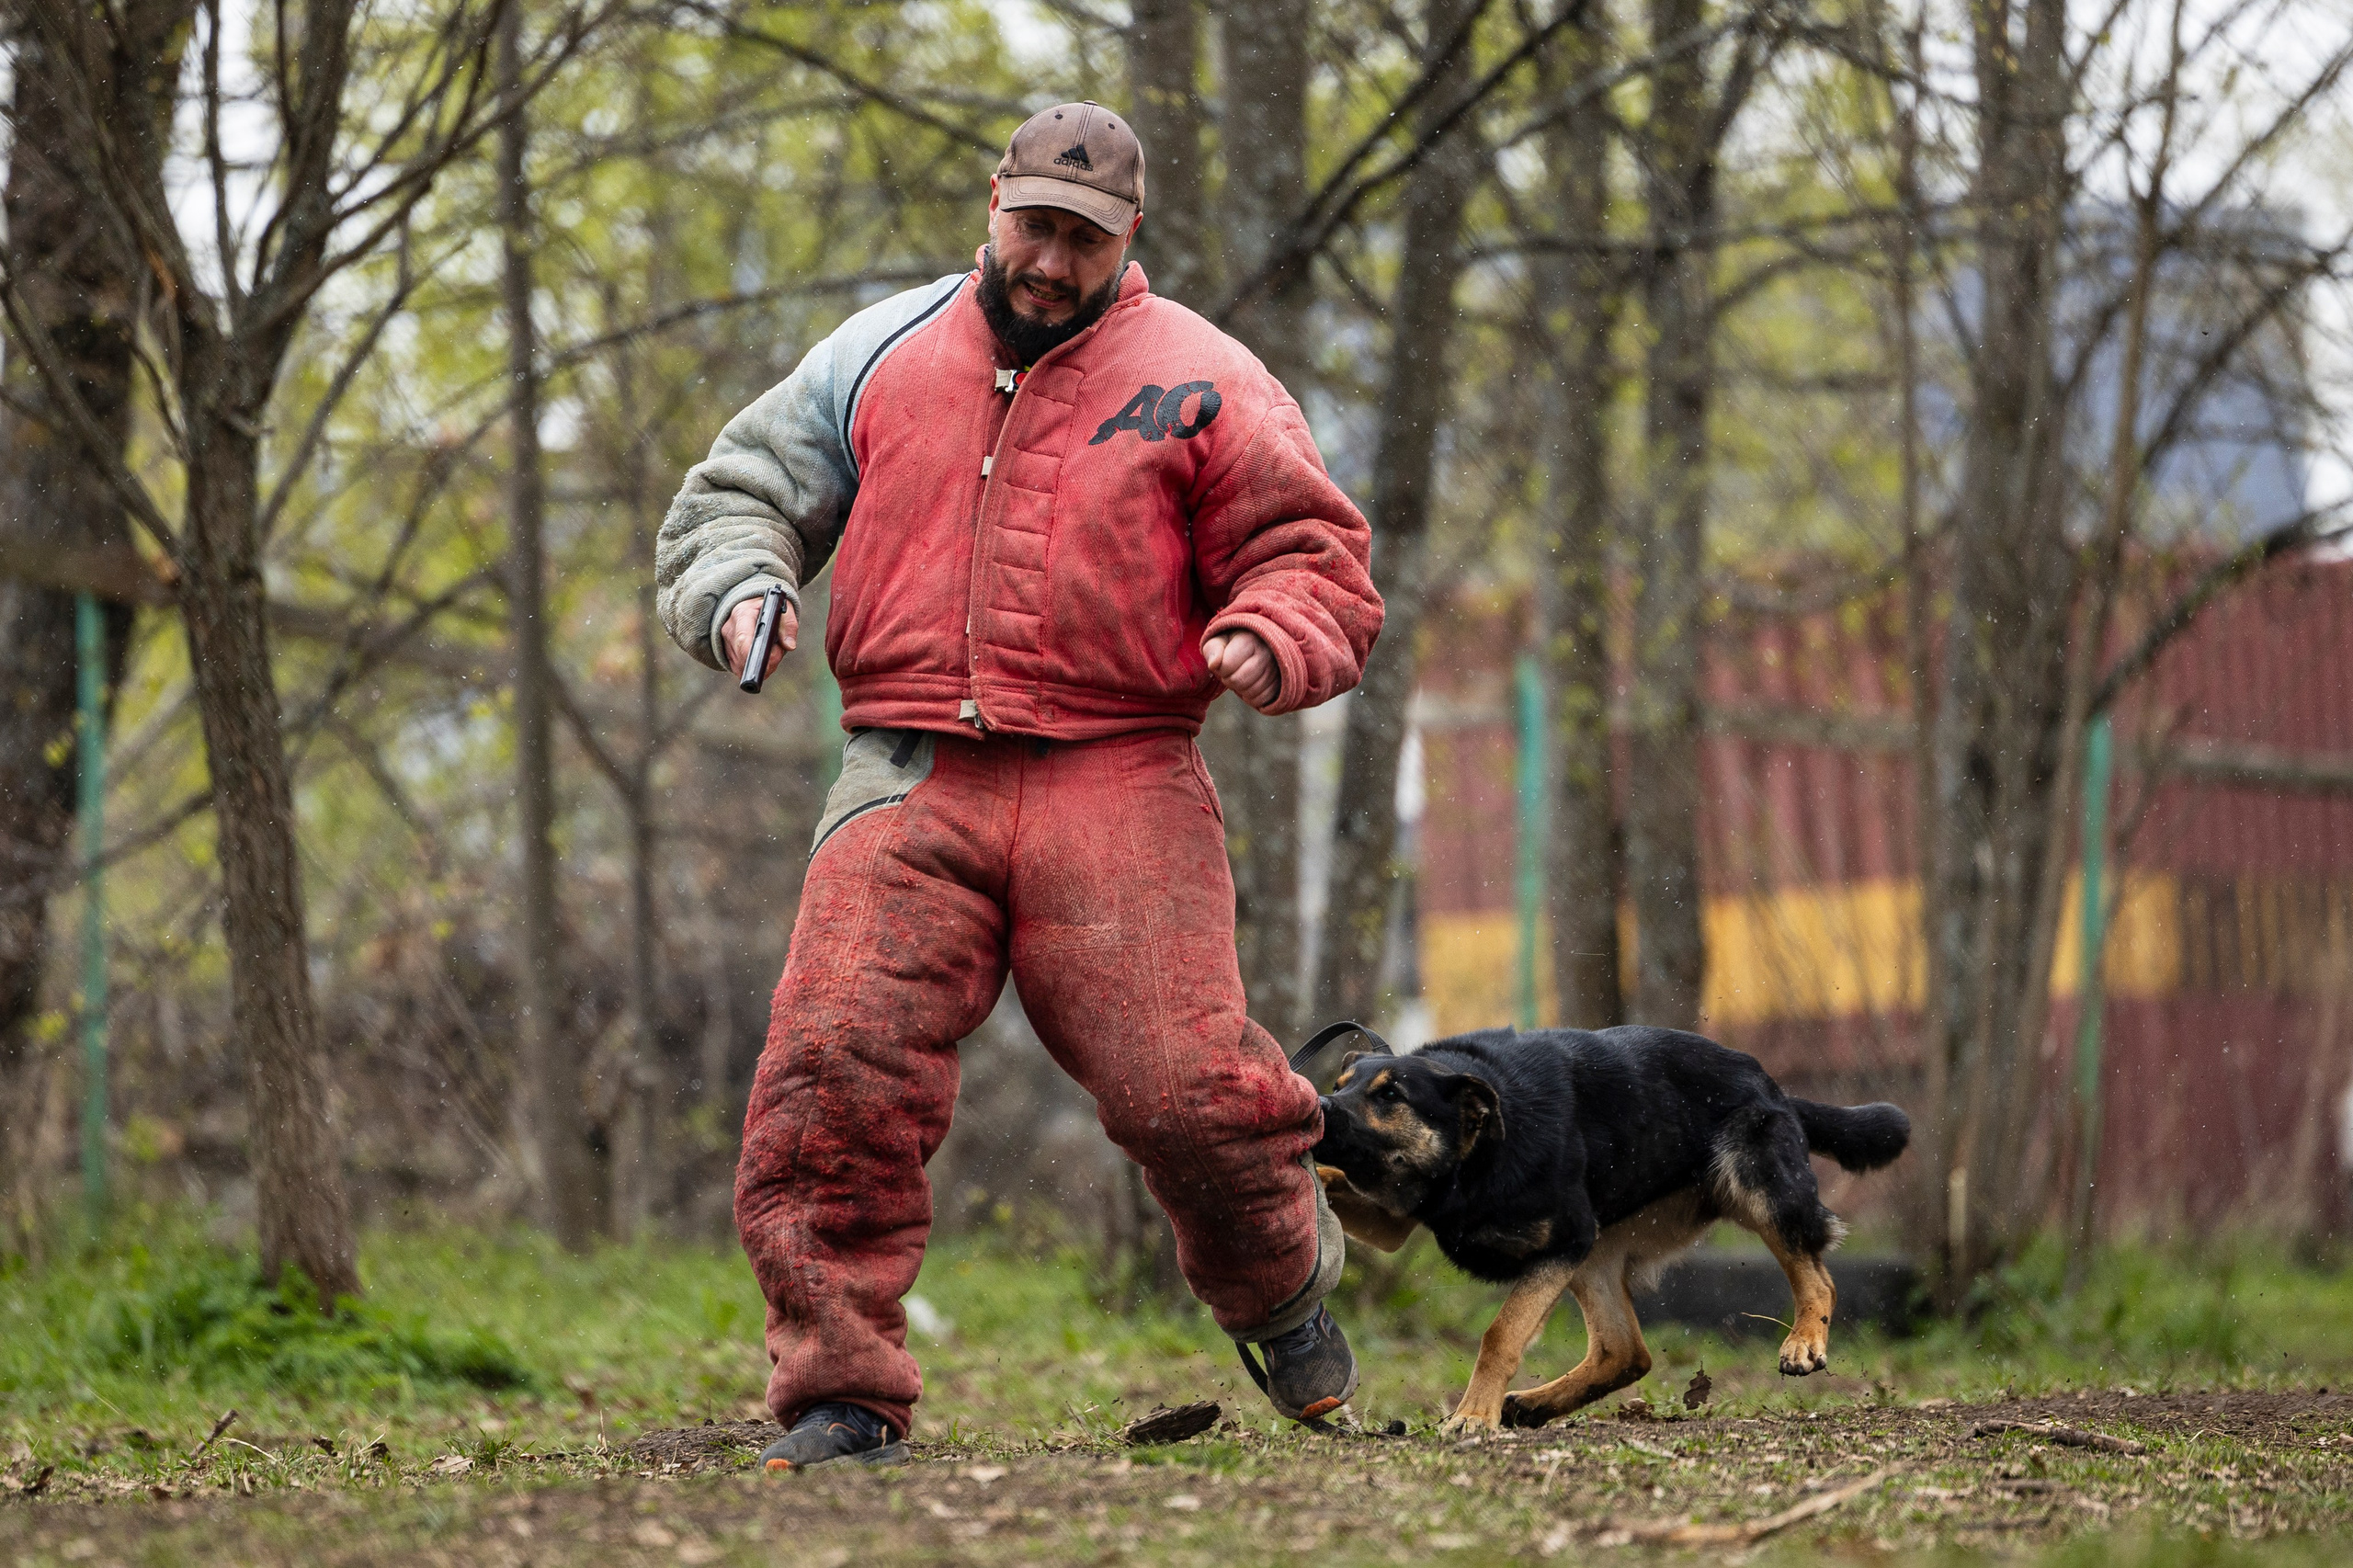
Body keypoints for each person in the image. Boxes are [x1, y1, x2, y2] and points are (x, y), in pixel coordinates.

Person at [656, 100, 1383, 1472]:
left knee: (1184, 1089)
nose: (1052, 262)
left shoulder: (1205, 378)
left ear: (1129, 240)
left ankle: (1283, 1288)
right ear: (993, 204)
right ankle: (841, 1389)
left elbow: (1315, 555)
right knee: (830, 1066)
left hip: (1119, 766)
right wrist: (743, 590)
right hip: (910, 760)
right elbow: (736, 493)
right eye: (1034, 227)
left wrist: (1271, 632)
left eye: (1085, 241)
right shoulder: (876, 354)